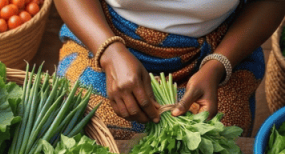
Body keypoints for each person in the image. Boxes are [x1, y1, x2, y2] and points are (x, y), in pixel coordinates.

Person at [56, 0, 285, 138]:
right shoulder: (107, 47)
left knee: (218, 140)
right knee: (87, 130)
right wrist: (109, 53)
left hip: (220, 47)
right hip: (105, 34)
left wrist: (217, 65)